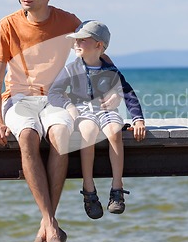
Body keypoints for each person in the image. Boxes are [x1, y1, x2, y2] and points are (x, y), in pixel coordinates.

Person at [0, 0, 82, 242]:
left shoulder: (69, 22)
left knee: (61, 134)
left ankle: (45, 227)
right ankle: (52, 227)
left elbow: (95, 59)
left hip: (55, 99)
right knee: (27, 136)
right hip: (18, 98)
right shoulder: (7, 25)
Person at [48, 20, 146, 220]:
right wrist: (69, 106)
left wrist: (138, 119)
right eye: (75, 40)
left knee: (114, 132)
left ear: (99, 45)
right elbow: (54, 93)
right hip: (83, 111)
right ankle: (89, 190)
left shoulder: (110, 69)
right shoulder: (71, 68)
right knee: (89, 133)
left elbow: (127, 92)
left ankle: (117, 189)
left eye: (82, 40)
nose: (76, 44)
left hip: (105, 110)